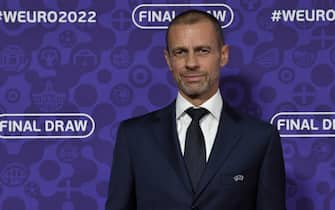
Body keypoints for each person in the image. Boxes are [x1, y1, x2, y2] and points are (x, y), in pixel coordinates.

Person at [105, 9, 286, 210]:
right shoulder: (134, 136)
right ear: (168, 60)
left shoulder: (260, 138)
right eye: (180, 52)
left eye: (202, 51)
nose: (191, 63)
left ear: (223, 55)